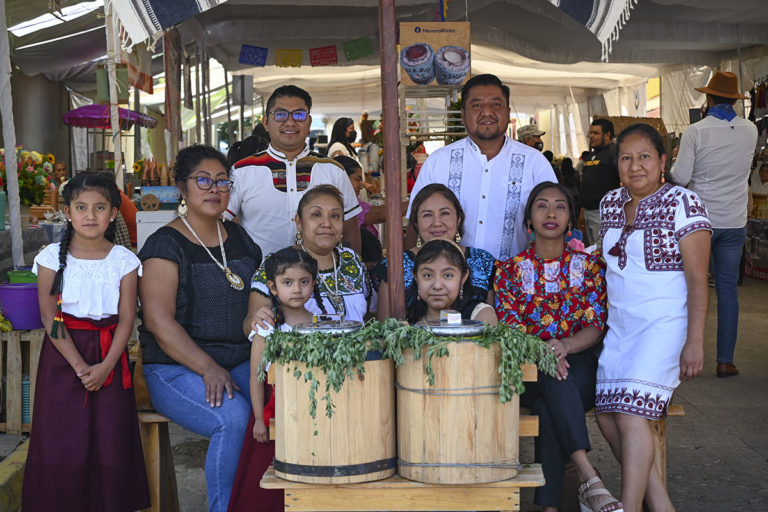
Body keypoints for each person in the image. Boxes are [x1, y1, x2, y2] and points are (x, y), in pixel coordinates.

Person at [138, 144, 263, 512]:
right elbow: (158, 321)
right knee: (234, 417)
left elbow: (259, 293)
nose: (215, 189)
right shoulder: (165, 245)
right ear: (182, 188)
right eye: (204, 180)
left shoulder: (238, 238)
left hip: (237, 357)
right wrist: (207, 367)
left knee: (280, 402)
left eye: (223, 181)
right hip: (175, 367)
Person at [596, 124, 710, 512]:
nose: (635, 166)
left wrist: (694, 341)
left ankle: (629, 509)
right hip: (621, 327)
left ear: (663, 161)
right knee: (607, 417)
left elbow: (698, 281)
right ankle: (661, 506)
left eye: (644, 156)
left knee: (629, 412)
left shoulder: (684, 202)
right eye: (626, 158)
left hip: (664, 326)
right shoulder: (611, 202)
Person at [23, 173, 150, 511]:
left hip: (110, 354)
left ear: (112, 214)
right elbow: (50, 316)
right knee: (63, 437)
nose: (90, 215)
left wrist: (106, 364)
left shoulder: (125, 260)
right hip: (64, 357)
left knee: (111, 438)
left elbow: (126, 318)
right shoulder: (51, 257)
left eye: (99, 208)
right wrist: (80, 366)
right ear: (67, 212)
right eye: (81, 207)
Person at [494, 181, 617, 512]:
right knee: (550, 377)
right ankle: (589, 477)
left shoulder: (589, 266)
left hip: (580, 365)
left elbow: (595, 326)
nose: (551, 213)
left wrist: (564, 345)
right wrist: (543, 351)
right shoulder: (508, 272)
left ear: (572, 218)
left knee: (553, 394)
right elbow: (509, 327)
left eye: (560, 206)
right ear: (529, 219)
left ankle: (553, 505)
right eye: (542, 206)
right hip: (528, 372)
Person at [408, 74, 556, 261]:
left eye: (496, 104)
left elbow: (555, 221)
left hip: (513, 284)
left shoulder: (535, 163)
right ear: (463, 114)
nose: (487, 112)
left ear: (508, 112)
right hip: (450, 285)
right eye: (477, 105)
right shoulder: (438, 162)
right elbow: (415, 224)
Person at [670, 70, 758, 377]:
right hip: (734, 220)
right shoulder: (750, 130)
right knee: (727, 291)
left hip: (700, 222)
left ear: (708, 97)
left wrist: (676, 159)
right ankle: (725, 360)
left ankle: (680, 356)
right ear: (734, 99)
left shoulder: (696, 131)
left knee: (690, 288)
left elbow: (680, 177)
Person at [228, 247, 322, 512]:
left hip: (308, 411)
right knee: (268, 475)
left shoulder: (317, 323)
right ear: (272, 286)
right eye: (287, 283)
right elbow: (257, 375)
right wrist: (259, 419)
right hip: (275, 408)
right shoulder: (267, 327)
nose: (297, 289)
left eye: (304, 282)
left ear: (313, 284)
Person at [225, 85, 362, 256]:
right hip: (260, 279)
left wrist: (353, 275)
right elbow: (220, 225)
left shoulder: (333, 171)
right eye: (280, 114)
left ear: (309, 122)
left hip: (321, 279)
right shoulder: (242, 171)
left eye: (299, 114)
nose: (290, 122)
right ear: (266, 122)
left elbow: (350, 230)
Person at [247, 184, 370, 332]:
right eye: (316, 215)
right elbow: (250, 326)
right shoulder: (277, 264)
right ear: (299, 222)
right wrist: (258, 318)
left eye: (335, 216)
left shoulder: (352, 261)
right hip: (294, 354)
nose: (327, 224)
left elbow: (367, 316)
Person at [376, 184, 497, 320]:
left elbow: (490, 329)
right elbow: (385, 328)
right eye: (427, 215)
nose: (437, 222)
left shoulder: (483, 261)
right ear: (416, 222)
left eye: (445, 213)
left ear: (458, 219)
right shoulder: (395, 265)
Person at [407, 239, 498, 326]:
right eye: (427, 275)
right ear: (416, 277)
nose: (437, 286)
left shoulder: (481, 315)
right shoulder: (406, 316)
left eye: (447, 276)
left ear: (463, 277)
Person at [579, 118, 619, 246]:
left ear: (607, 135)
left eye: (595, 133)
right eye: (590, 133)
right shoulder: (592, 155)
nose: (591, 136)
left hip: (604, 213)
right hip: (588, 212)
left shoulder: (615, 152)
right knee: (592, 251)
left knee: (602, 252)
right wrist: (582, 210)